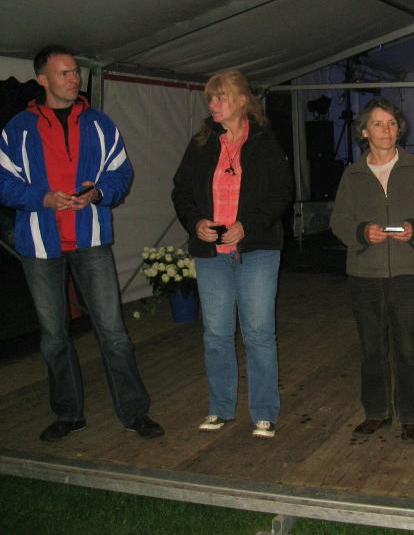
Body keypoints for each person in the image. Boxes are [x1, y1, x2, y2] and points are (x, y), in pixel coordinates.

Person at [0, 45, 163, 441]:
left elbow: (121, 173)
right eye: (65, 73)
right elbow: (4, 183)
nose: (75, 79)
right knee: (54, 337)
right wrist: (43, 198)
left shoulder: (99, 123)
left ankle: (135, 412)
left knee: (113, 332)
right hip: (41, 245)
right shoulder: (18, 129)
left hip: (90, 242)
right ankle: (69, 414)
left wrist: (98, 193)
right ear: (43, 80)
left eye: (75, 72)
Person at [172, 70, 293, 440]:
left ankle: (264, 413)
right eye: (210, 98)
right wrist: (196, 222)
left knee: (258, 332)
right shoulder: (201, 142)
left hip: (256, 250)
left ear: (242, 100)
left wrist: (248, 225)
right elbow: (181, 191)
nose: (213, 104)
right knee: (216, 333)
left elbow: (282, 192)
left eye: (220, 97)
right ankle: (221, 408)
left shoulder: (264, 141)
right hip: (212, 253)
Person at [330, 98, 414, 442]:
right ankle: (377, 412)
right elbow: (339, 219)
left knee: (408, 347)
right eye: (378, 124)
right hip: (365, 274)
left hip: (409, 271)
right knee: (372, 348)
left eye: (392, 123)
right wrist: (361, 232)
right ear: (364, 131)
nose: (386, 130)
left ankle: (409, 415)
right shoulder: (352, 175)